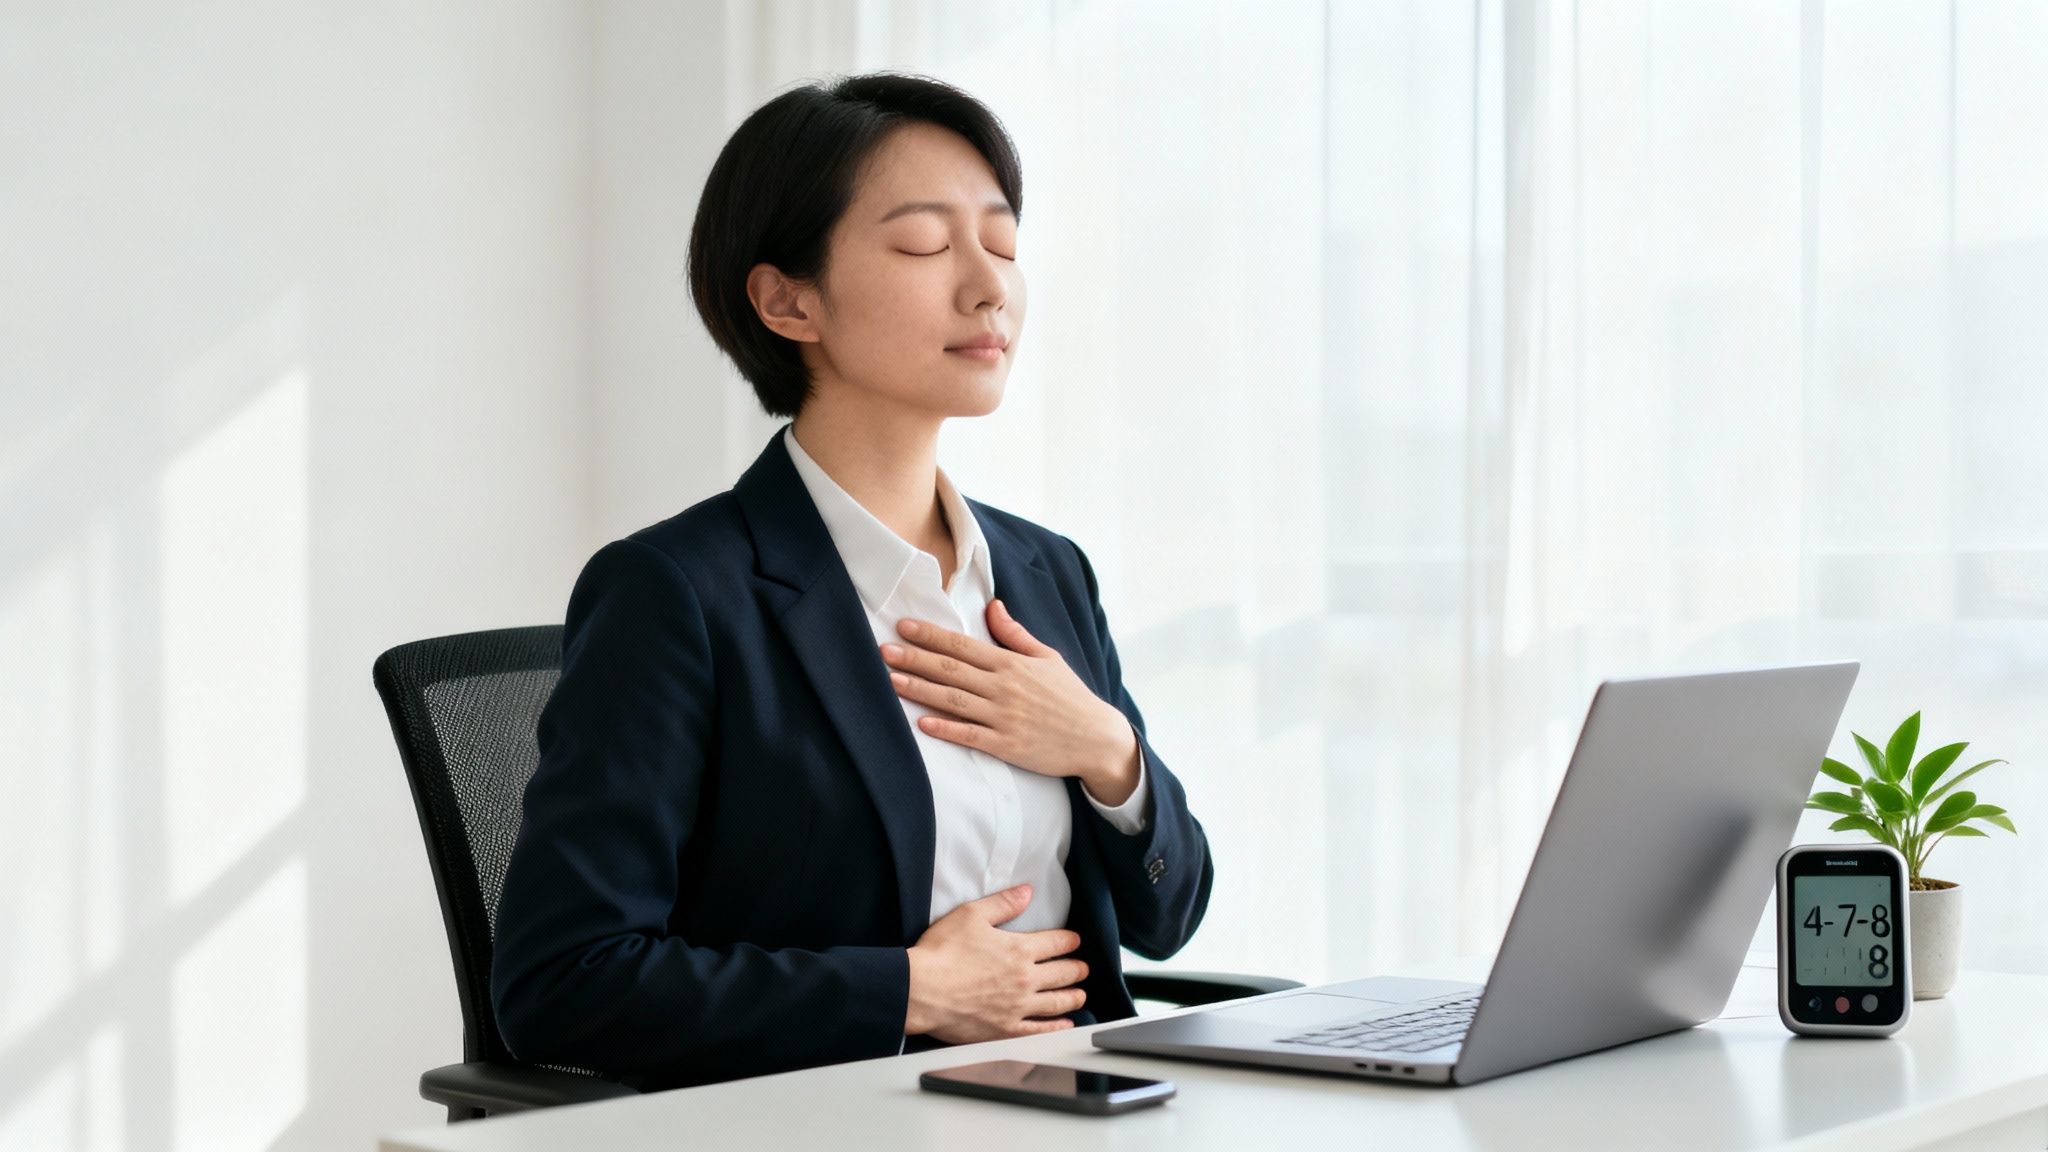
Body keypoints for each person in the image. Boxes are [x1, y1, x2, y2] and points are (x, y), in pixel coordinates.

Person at [490, 71, 1213, 1092]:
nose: (988, 285)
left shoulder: (1044, 571)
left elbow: (1167, 918)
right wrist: (913, 990)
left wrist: (1107, 755)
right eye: (925, 244)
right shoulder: (676, 594)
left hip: (1076, 1108)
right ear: (788, 300)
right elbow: (561, 984)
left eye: (1001, 244)